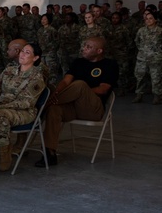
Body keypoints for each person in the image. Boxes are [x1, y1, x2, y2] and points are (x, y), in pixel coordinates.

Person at [38, 37, 117, 166]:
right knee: (54, 109)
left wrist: (81, 91)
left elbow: (103, 89)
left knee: (80, 85)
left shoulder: (110, 65)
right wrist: (57, 92)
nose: (84, 49)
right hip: (73, 107)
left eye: (88, 47)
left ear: (99, 51)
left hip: (93, 109)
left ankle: (44, 105)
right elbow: (65, 81)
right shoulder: (78, 62)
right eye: (84, 46)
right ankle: (49, 153)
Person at [0, 42, 47, 171]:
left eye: (27, 52)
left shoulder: (36, 77)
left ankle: (4, 154)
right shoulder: (9, 70)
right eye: (22, 51)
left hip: (23, 111)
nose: (22, 54)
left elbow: (26, 102)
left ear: (35, 58)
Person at [133, 10, 162, 104]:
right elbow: (137, 42)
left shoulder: (161, 31)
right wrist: (143, 51)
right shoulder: (141, 30)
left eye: (151, 18)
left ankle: (157, 96)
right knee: (140, 77)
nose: (148, 20)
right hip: (142, 58)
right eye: (146, 19)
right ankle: (139, 95)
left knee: (156, 78)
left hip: (156, 58)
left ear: (155, 20)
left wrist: (158, 53)